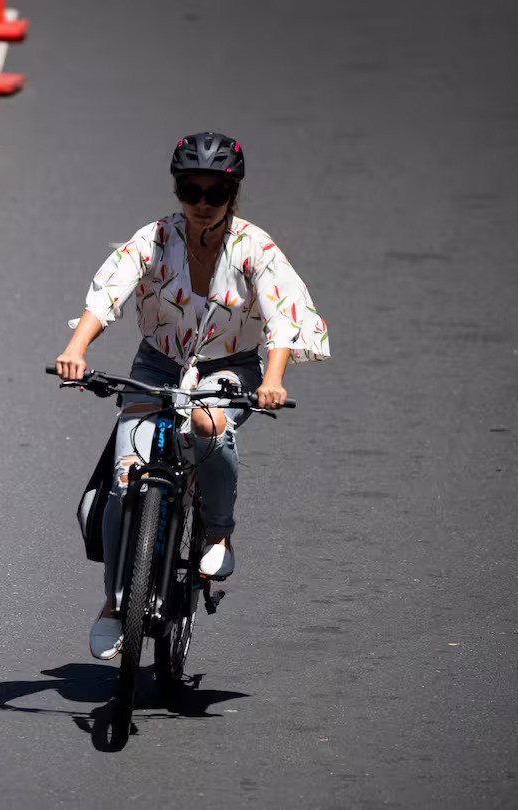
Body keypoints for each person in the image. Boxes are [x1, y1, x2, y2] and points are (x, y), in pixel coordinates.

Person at [54, 131, 330, 660]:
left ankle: (217, 536)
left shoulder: (254, 247)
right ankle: (115, 602)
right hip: (157, 363)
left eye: (215, 194)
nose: (202, 204)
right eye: (190, 191)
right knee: (123, 475)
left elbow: (282, 314)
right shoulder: (156, 237)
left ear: (233, 195)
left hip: (230, 367)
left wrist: (273, 380)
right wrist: (76, 349)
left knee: (207, 426)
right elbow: (111, 288)